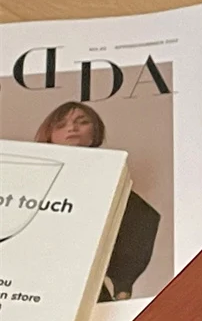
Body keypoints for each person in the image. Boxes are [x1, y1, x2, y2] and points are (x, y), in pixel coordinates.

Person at [35, 101, 161, 300]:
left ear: (95, 132)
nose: (72, 128)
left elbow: (143, 218)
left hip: (84, 280)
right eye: (61, 124)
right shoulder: (33, 175)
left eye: (82, 122)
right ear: (49, 135)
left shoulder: (106, 175)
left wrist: (123, 282)